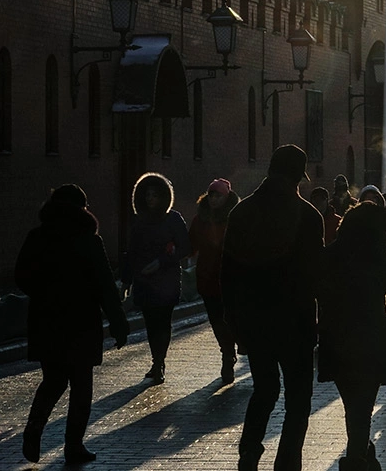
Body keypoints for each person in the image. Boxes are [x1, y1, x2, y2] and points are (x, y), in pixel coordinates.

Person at [223, 145, 324, 471]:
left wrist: (233, 323)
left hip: (255, 320)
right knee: (298, 399)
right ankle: (287, 463)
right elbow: (315, 275)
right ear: (298, 176)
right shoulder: (309, 215)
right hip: (296, 321)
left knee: (264, 390)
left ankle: (249, 450)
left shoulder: (242, 212)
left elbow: (229, 273)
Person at [17, 185, 129, 464]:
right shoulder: (89, 240)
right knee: (81, 385)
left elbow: (21, 276)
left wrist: (44, 293)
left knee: (53, 380)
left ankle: (34, 427)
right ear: (82, 209)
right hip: (81, 321)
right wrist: (118, 324)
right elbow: (105, 285)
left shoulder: (37, 236)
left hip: (46, 320)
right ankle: (73, 445)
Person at [317, 202, 386, 471]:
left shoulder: (329, 256)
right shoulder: (380, 258)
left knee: (353, 407)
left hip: (336, 341)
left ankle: (362, 453)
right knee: (362, 408)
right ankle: (357, 459)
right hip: (371, 341)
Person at [121, 172, 189, 384]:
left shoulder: (173, 219)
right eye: (148, 195)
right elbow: (130, 252)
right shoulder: (139, 222)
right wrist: (127, 280)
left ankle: (159, 361)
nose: (151, 199)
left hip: (166, 280)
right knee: (151, 323)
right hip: (145, 281)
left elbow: (185, 247)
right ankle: (156, 361)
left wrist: (161, 262)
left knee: (163, 322)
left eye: (155, 195)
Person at [189, 177, 240, 384]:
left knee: (231, 319)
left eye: (217, 195)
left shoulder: (235, 218)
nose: (213, 199)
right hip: (208, 279)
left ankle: (233, 348)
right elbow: (191, 244)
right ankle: (227, 353)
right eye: (211, 194)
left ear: (226, 197)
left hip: (231, 279)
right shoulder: (200, 219)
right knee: (216, 320)